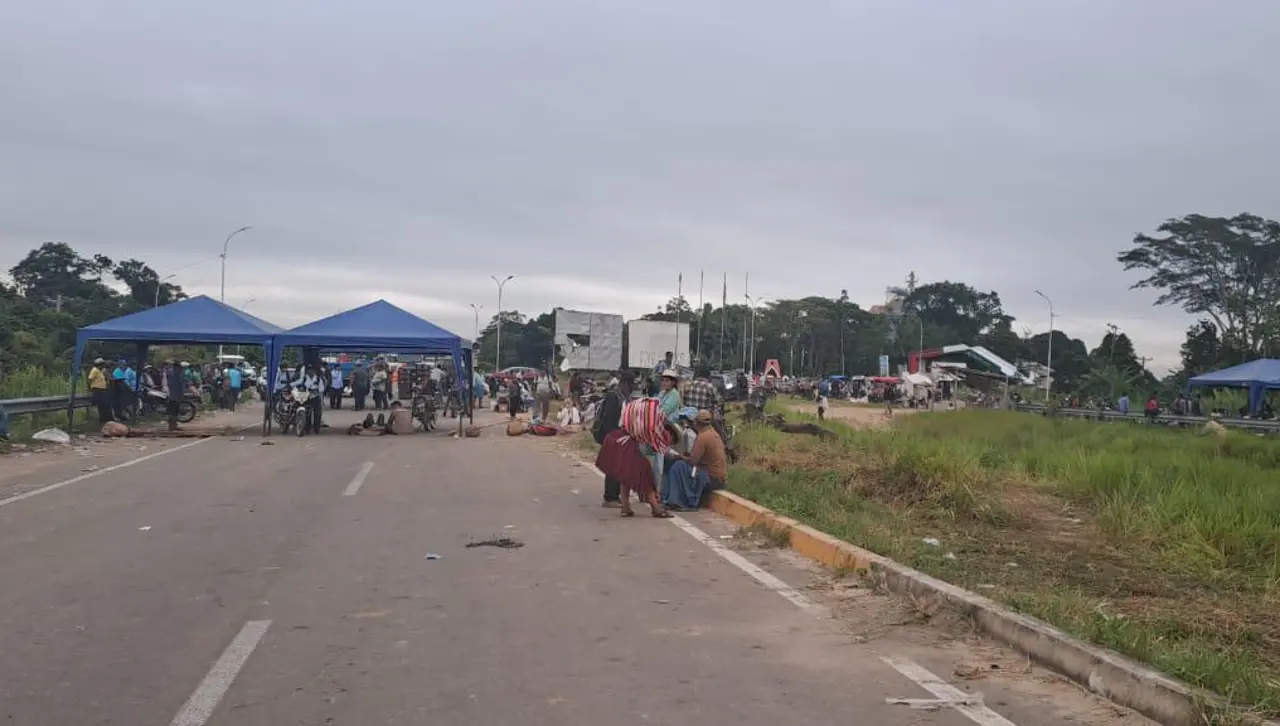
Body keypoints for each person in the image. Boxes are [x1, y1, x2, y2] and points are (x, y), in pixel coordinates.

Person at [661, 409, 728, 511]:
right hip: (717, 477)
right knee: (681, 465)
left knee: (678, 467)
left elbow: (692, 461)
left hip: (710, 478)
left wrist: (679, 456)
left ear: (696, 423)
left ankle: (677, 501)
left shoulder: (703, 437)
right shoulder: (713, 433)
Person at [594, 372, 632, 508]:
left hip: (620, 436)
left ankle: (615, 495)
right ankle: (610, 497)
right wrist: (613, 437)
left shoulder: (623, 396)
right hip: (612, 436)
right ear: (625, 384)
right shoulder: (613, 396)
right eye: (631, 386)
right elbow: (608, 419)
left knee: (618, 467)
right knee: (612, 467)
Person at [296, 363, 325, 435]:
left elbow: (321, 390)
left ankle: (316, 428)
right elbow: (297, 384)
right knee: (307, 414)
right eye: (309, 370)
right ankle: (307, 428)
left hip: (316, 398)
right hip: (306, 398)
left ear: (314, 371)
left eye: (312, 370)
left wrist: (321, 400)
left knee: (317, 414)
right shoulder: (304, 379)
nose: (310, 372)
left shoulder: (318, 379)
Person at [88, 357, 113, 424]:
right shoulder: (95, 370)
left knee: (105, 403)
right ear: (100, 364)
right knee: (102, 404)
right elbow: (90, 379)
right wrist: (89, 389)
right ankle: (102, 419)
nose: (104, 366)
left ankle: (106, 418)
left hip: (102, 389)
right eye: (103, 364)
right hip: (97, 389)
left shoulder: (100, 371)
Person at [163, 359, 185, 431]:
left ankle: (174, 426)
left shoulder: (176, 374)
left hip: (175, 396)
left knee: (175, 412)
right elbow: (174, 386)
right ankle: (171, 426)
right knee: (173, 412)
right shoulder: (173, 375)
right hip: (173, 396)